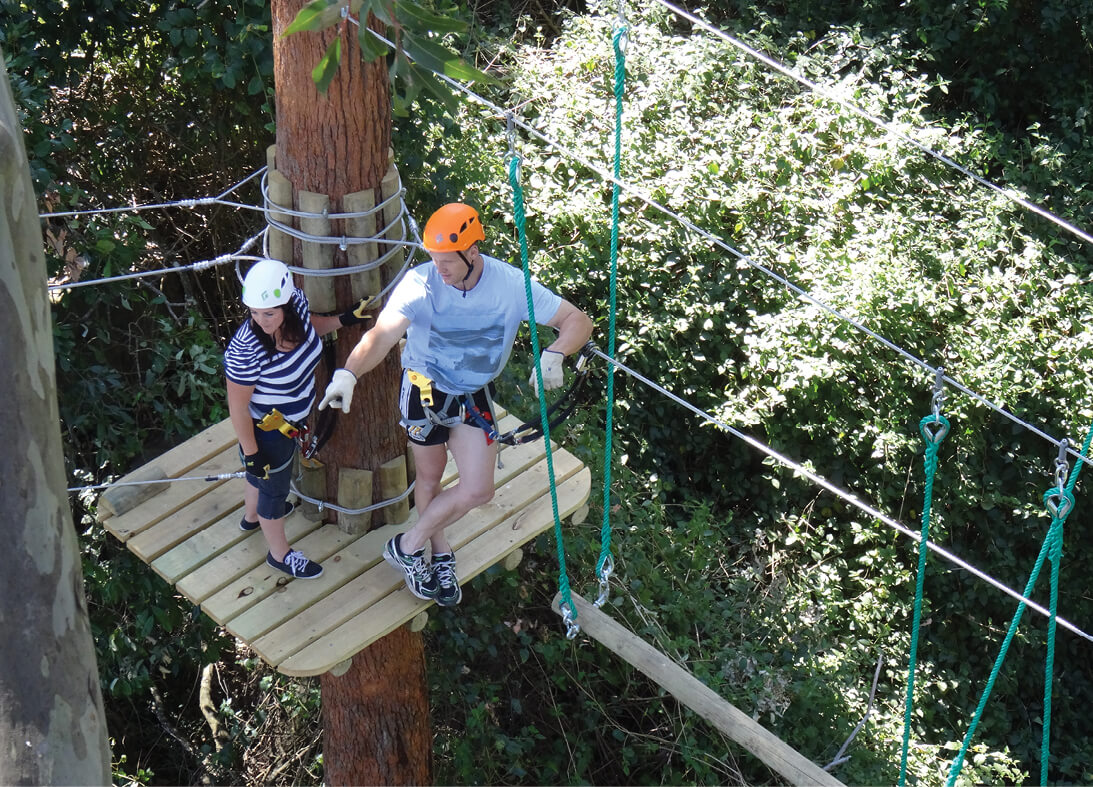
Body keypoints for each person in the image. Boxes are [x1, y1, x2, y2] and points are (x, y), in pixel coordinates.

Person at [319, 202, 594, 606]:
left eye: (448, 261)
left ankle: (408, 545)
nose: (440, 269)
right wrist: (349, 372)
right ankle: (438, 553)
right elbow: (381, 335)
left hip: (472, 394)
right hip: (424, 391)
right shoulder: (421, 283)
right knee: (429, 479)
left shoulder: (510, 286)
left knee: (479, 489)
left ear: (473, 253)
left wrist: (555, 353)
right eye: (435, 259)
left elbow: (577, 321)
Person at [225, 258, 370, 579]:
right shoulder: (246, 349)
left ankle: (252, 518)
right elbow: (237, 407)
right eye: (254, 313)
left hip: (290, 422)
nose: (261, 321)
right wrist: (251, 454)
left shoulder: (298, 307)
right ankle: (279, 554)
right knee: (274, 493)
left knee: (265, 484)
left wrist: (343, 320)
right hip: (267, 432)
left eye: (269, 313)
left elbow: (309, 326)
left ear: (287, 305)